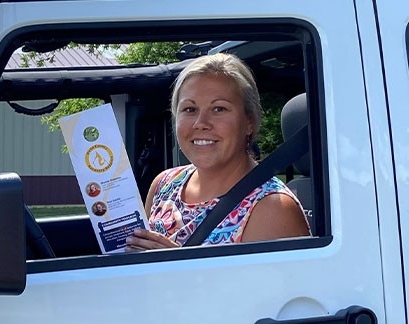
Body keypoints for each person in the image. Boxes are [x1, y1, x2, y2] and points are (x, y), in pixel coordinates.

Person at [125, 53, 309, 251]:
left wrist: (175, 266)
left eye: (219, 109)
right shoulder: (164, 184)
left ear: (249, 122)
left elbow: (274, 283)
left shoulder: (273, 208)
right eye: (189, 109)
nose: (200, 123)